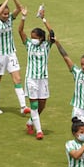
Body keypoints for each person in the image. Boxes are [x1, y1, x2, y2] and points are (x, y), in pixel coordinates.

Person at [0, 0, 30, 115]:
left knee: (17, 79)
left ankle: (23, 106)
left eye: (7, 14)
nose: (7, 16)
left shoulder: (10, 20)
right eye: (4, 14)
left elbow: (19, 8)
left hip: (11, 54)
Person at [18, 7, 54, 140]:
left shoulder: (46, 46)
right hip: (31, 79)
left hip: (43, 79)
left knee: (42, 104)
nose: (32, 39)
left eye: (35, 38)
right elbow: (20, 31)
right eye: (31, 37)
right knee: (33, 105)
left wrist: (43, 18)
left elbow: (52, 34)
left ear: (41, 38)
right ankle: (39, 131)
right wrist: (23, 17)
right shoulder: (29, 45)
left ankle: (30, 122)